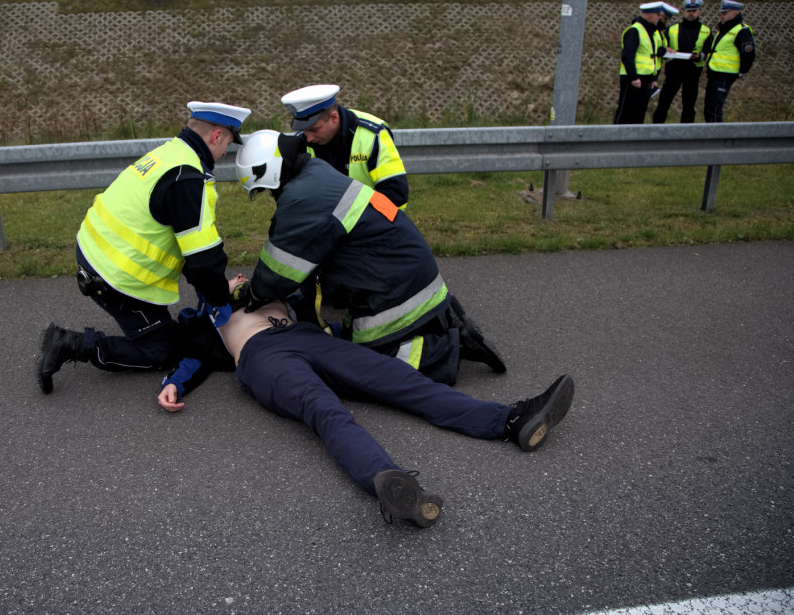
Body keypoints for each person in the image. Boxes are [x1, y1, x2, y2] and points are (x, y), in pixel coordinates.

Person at [157, 275, 576, 528]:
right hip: (262, 358)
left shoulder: (278, 293)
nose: (238, 278)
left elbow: (322, 304)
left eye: (242, 276)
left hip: (309, 339)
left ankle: (510, 421)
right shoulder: (209, 312)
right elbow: (193, 355)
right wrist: (174, 383)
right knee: (325, 410)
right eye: (231, 278)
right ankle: (392, 485)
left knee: (398, 379)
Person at [233, 129, 506, 388]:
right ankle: (443, 319)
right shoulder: (313, 172)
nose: (270, 196)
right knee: (354, 338)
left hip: (396, 285)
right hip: (401, 272)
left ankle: (450, 348)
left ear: (269, 171)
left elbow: (278, 273)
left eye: (266, 190)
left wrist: (252, 294)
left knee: (368, 364)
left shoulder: (302, 197)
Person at [37, 101, 251, 393]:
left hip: (95, 254)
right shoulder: (187, 178)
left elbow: (190, 250)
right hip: (117, 278)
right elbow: (202, 259)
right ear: (216, 136)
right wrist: (219, 299)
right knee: (164, 350)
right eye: (227, 142)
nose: (226, 151)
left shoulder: (171, 153)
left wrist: (211, 289)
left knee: (172, 333)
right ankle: (73, 344)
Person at [280, 84, 409, 209]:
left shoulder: (372, 135)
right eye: (304, 131)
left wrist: (363, 223)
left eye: (314, 130)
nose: (309, 138)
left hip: (370, 224)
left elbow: (395, 195)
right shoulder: (300, 141)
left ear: (334, 117)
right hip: (322, 225)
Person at [652, 0, 712, 124]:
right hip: (674, 70)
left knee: (689, 105)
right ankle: (656, 128)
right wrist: (666, 49)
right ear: (684, 12)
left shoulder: (706, 31)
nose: (691, 13)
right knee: (664, 103)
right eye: (688, 11)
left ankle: (686, 132)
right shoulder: (672, 29)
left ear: (699, 12)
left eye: (694, 11)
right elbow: (661, 45)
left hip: (693, 72)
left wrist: (700, 55)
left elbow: (709, 50)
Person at [614, 2, 669, 125]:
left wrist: (653, 78)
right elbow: (628, 56)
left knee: (639, 114)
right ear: (651, 16)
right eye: (658, 15)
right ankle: (618, 140)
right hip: (634, 79)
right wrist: (633, 77)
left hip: (646, 79)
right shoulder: (634, 31)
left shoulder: (652, 33)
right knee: (626, 113)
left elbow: (652, 59)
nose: (659, 18)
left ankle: (634, 140)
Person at [703, 0, 755, 123]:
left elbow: (749, 53)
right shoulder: (725, 29)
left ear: (735, 13)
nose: (722, 15)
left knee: (714, 108)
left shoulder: (741, 30)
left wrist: (742, 71)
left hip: (726, 74)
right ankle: (710, 135)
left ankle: (716, 138)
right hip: (716, 73)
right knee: (709, 107)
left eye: (725, 13)